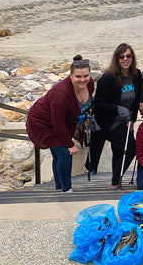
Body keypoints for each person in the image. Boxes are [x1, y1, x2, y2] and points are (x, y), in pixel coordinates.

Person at [26, 55, 94, 194]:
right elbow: (58, 123)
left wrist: (85, 116)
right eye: (78, 77)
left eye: (86, 75)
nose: (83, 80)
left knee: (58, 153)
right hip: (42, 122)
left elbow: (85, 104)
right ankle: (66, 189)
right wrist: (70, 144)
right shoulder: (60, 94)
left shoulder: (89, 83)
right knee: (64, 152)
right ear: (70, 76)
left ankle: (59, 186)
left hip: (59, 120)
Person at [85, 43, 142, 189]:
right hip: (109, 123)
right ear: (116, 58)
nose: (125, 59)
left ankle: (116, 181)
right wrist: (117, 109)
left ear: (132, 57)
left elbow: (135, 101)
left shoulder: (136, 75)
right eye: (121, 56)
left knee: (119, 150)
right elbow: (98, 103)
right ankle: (115, 181)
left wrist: (132, 120)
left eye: (128, 56)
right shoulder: (108, 78)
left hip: (125, 121)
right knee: (131, 148)